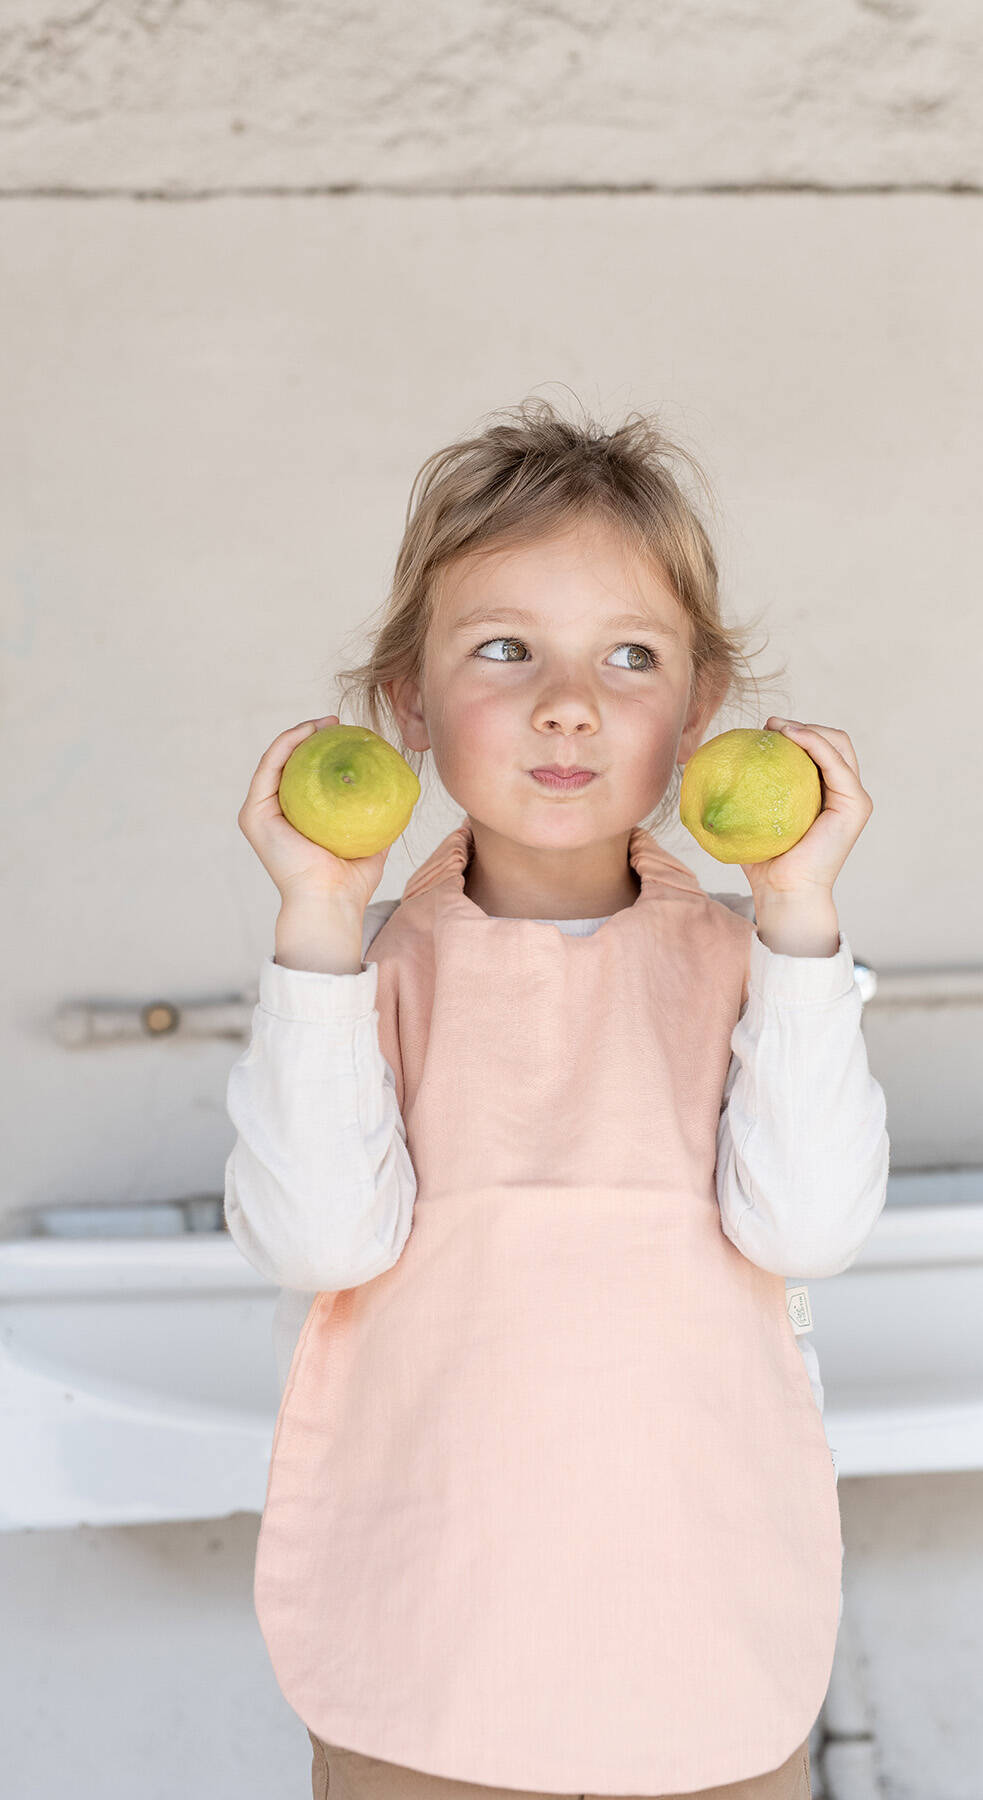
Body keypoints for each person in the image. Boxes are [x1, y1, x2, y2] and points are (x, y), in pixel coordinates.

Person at [224, 396, 890, 1800]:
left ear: (701, 716)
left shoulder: (754, 965)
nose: (567, 701)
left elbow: (809, 1227)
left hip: (698, 1621)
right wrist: (318, 928)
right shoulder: (362, 973)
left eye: (630, 657)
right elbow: (321, 1243)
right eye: (504, 649)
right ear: (406, 703)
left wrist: (802, 919)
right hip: (431, 1631)